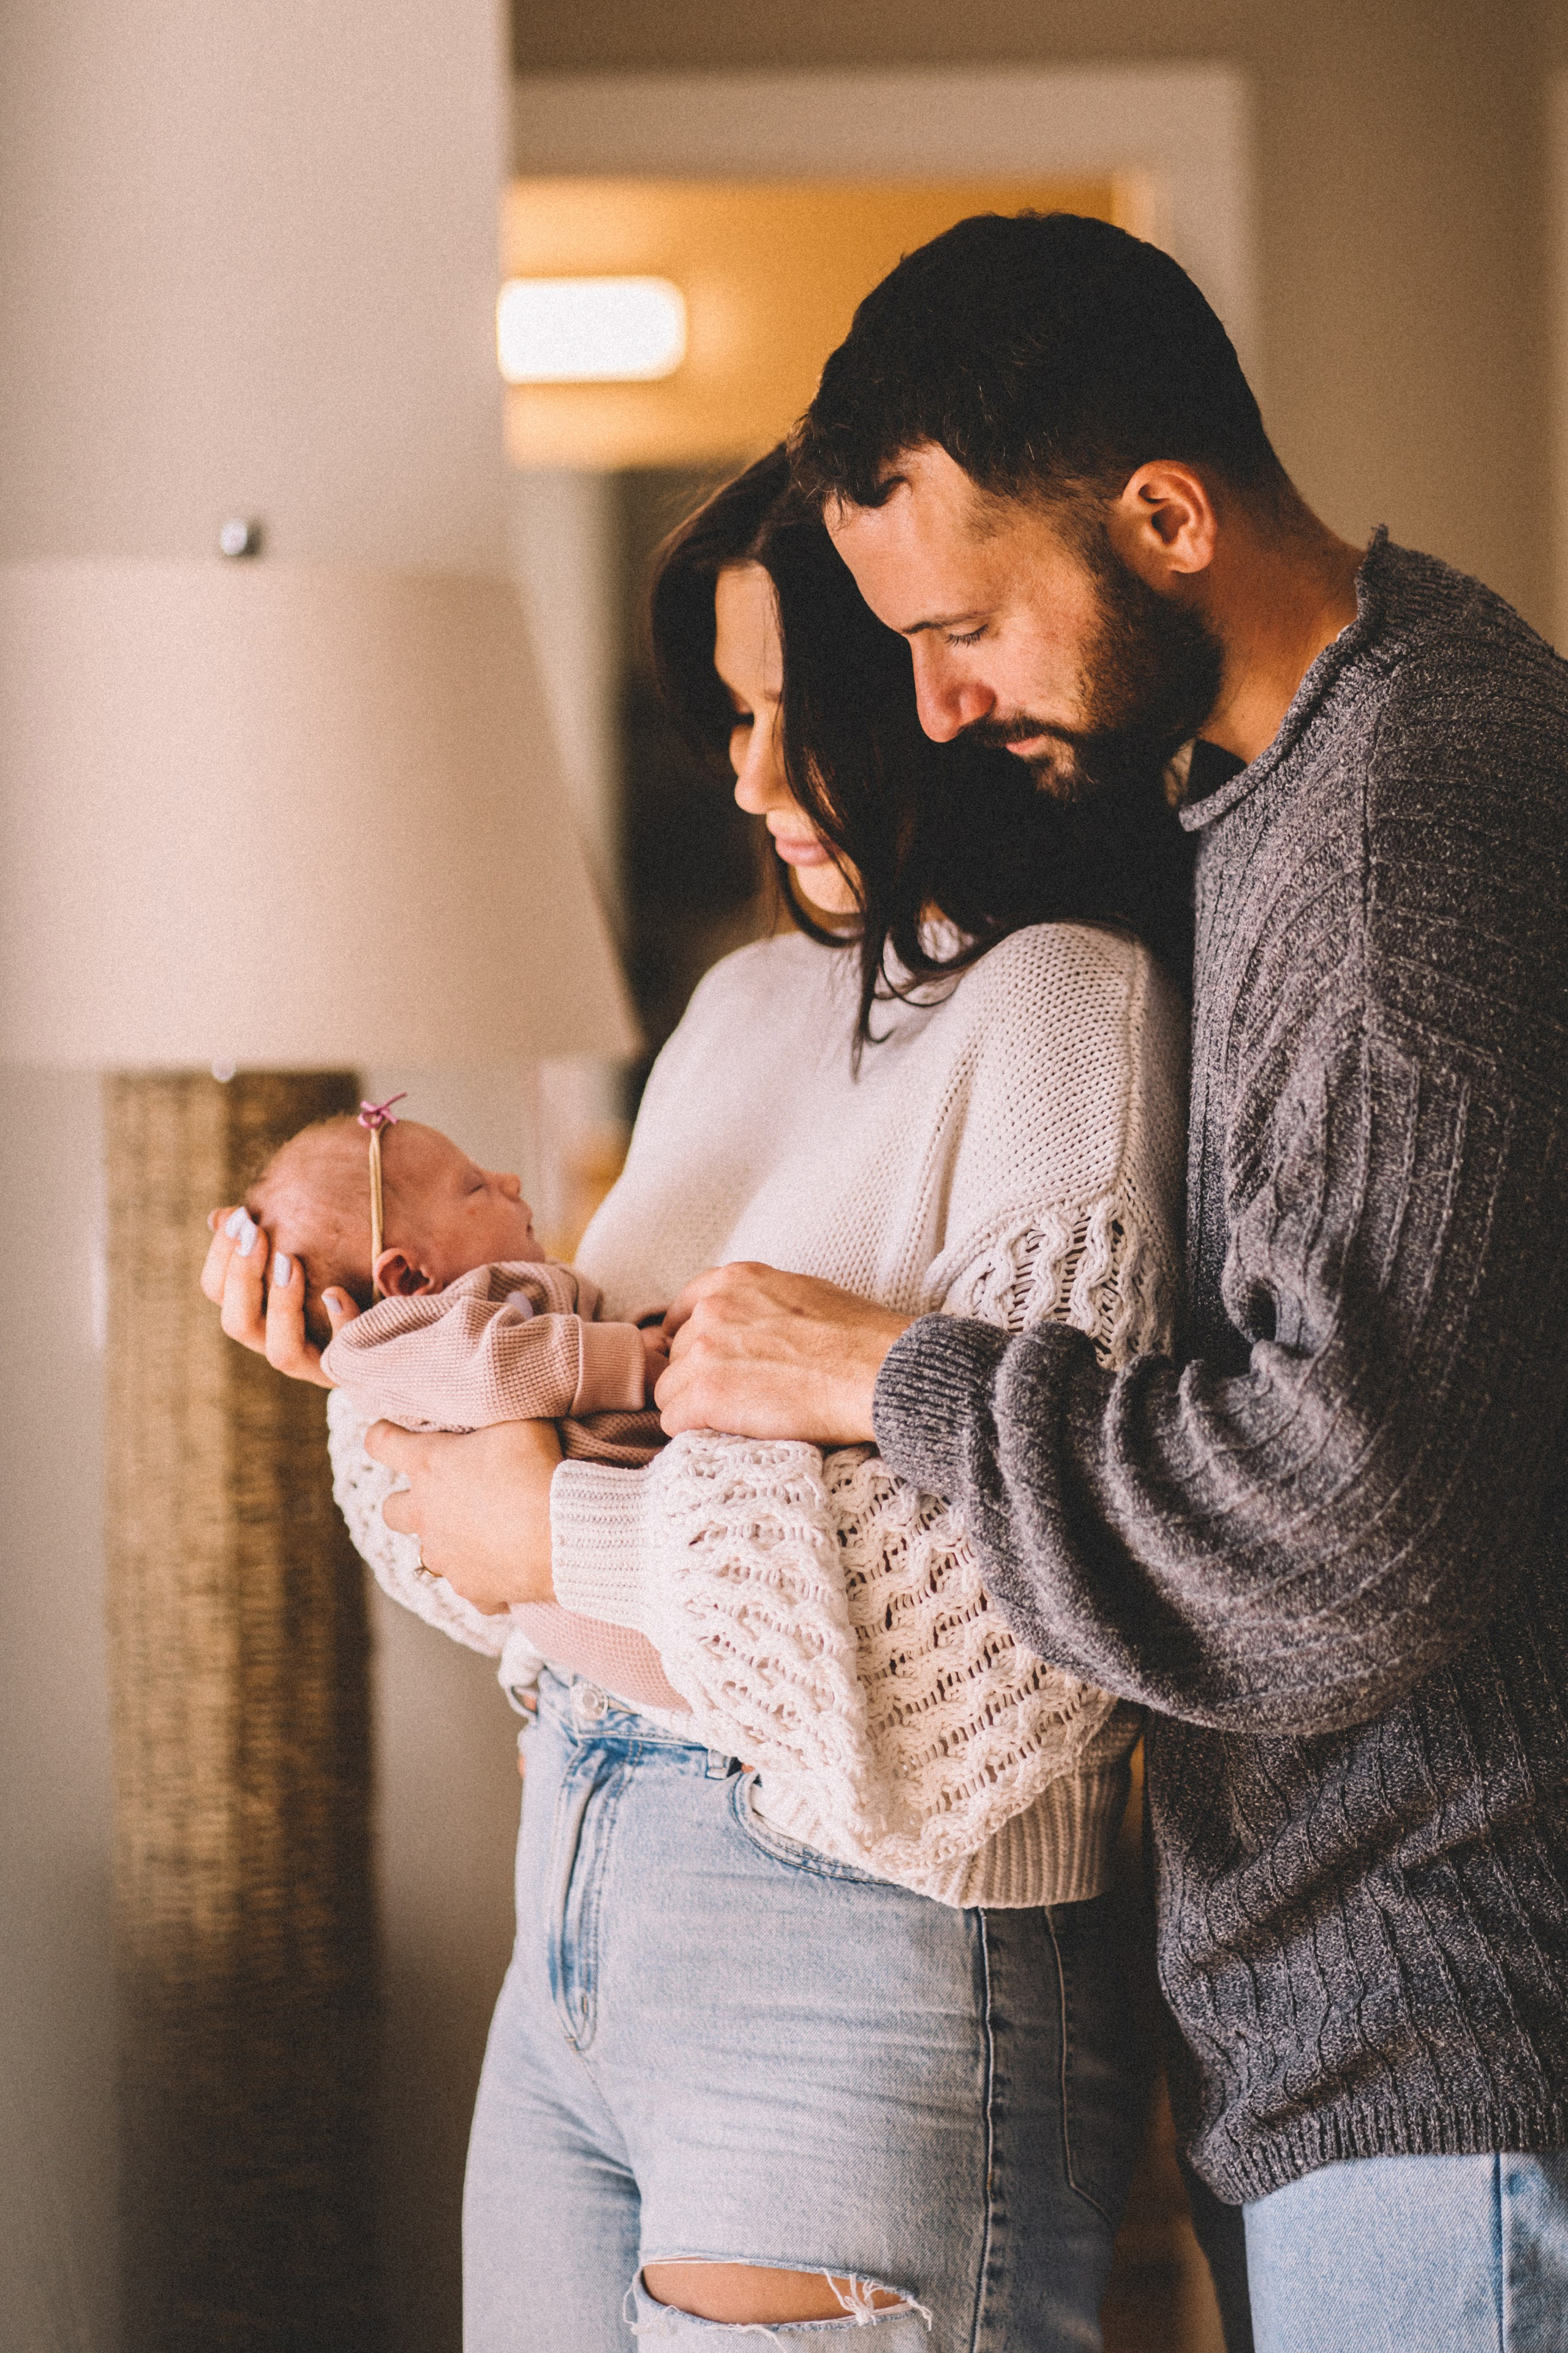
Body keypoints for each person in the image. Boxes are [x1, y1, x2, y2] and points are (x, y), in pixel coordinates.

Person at [625, 214, 1567, 2352]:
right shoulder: (1268, 797)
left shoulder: (1421, 803)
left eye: (963, 627)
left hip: (1460, 2048)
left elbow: (1348, 1521)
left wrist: (897, 1383)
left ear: (1165, 515)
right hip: (1346, 2056)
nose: (941, 704)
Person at [203, 445, 1197, 2346]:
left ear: (926, 696)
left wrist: (550, 1519)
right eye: (730, 714)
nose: (744, 775)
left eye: (785, 711)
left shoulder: (1068, 1014)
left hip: (869, 1937)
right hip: (577, 1893)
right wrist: (367, 1348)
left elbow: (1009, 1634)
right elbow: (474, 1504)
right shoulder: (743, 1009)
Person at [233, 1101, 683, 1712]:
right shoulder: (409, 1342)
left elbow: (580, 1328)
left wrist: (650, 1326)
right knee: (689, 1684)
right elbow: (506, 1369)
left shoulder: (512, 1292)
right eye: (475, 1186)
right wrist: (636, 1359)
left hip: (616, 1523)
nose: (510, 1182)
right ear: (410, 1279)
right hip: (589, 1612)